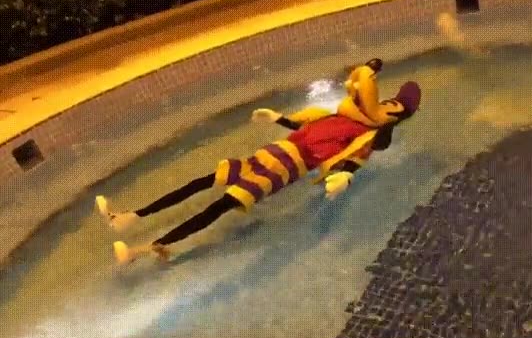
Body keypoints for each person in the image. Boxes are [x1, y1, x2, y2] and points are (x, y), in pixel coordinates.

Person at [96, 58, 422, 264]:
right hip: (271, 152)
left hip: (286, 167)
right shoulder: (340, 115)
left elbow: (358, 157)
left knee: (219, 206)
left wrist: (344, 176)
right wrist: (278, 118)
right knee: (204, 181)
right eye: (388, 101)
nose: (386, 104)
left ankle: (146, 248)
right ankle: (129, 217)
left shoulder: (365, 135)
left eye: (393, 108)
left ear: (393, 120)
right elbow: (304, 125)